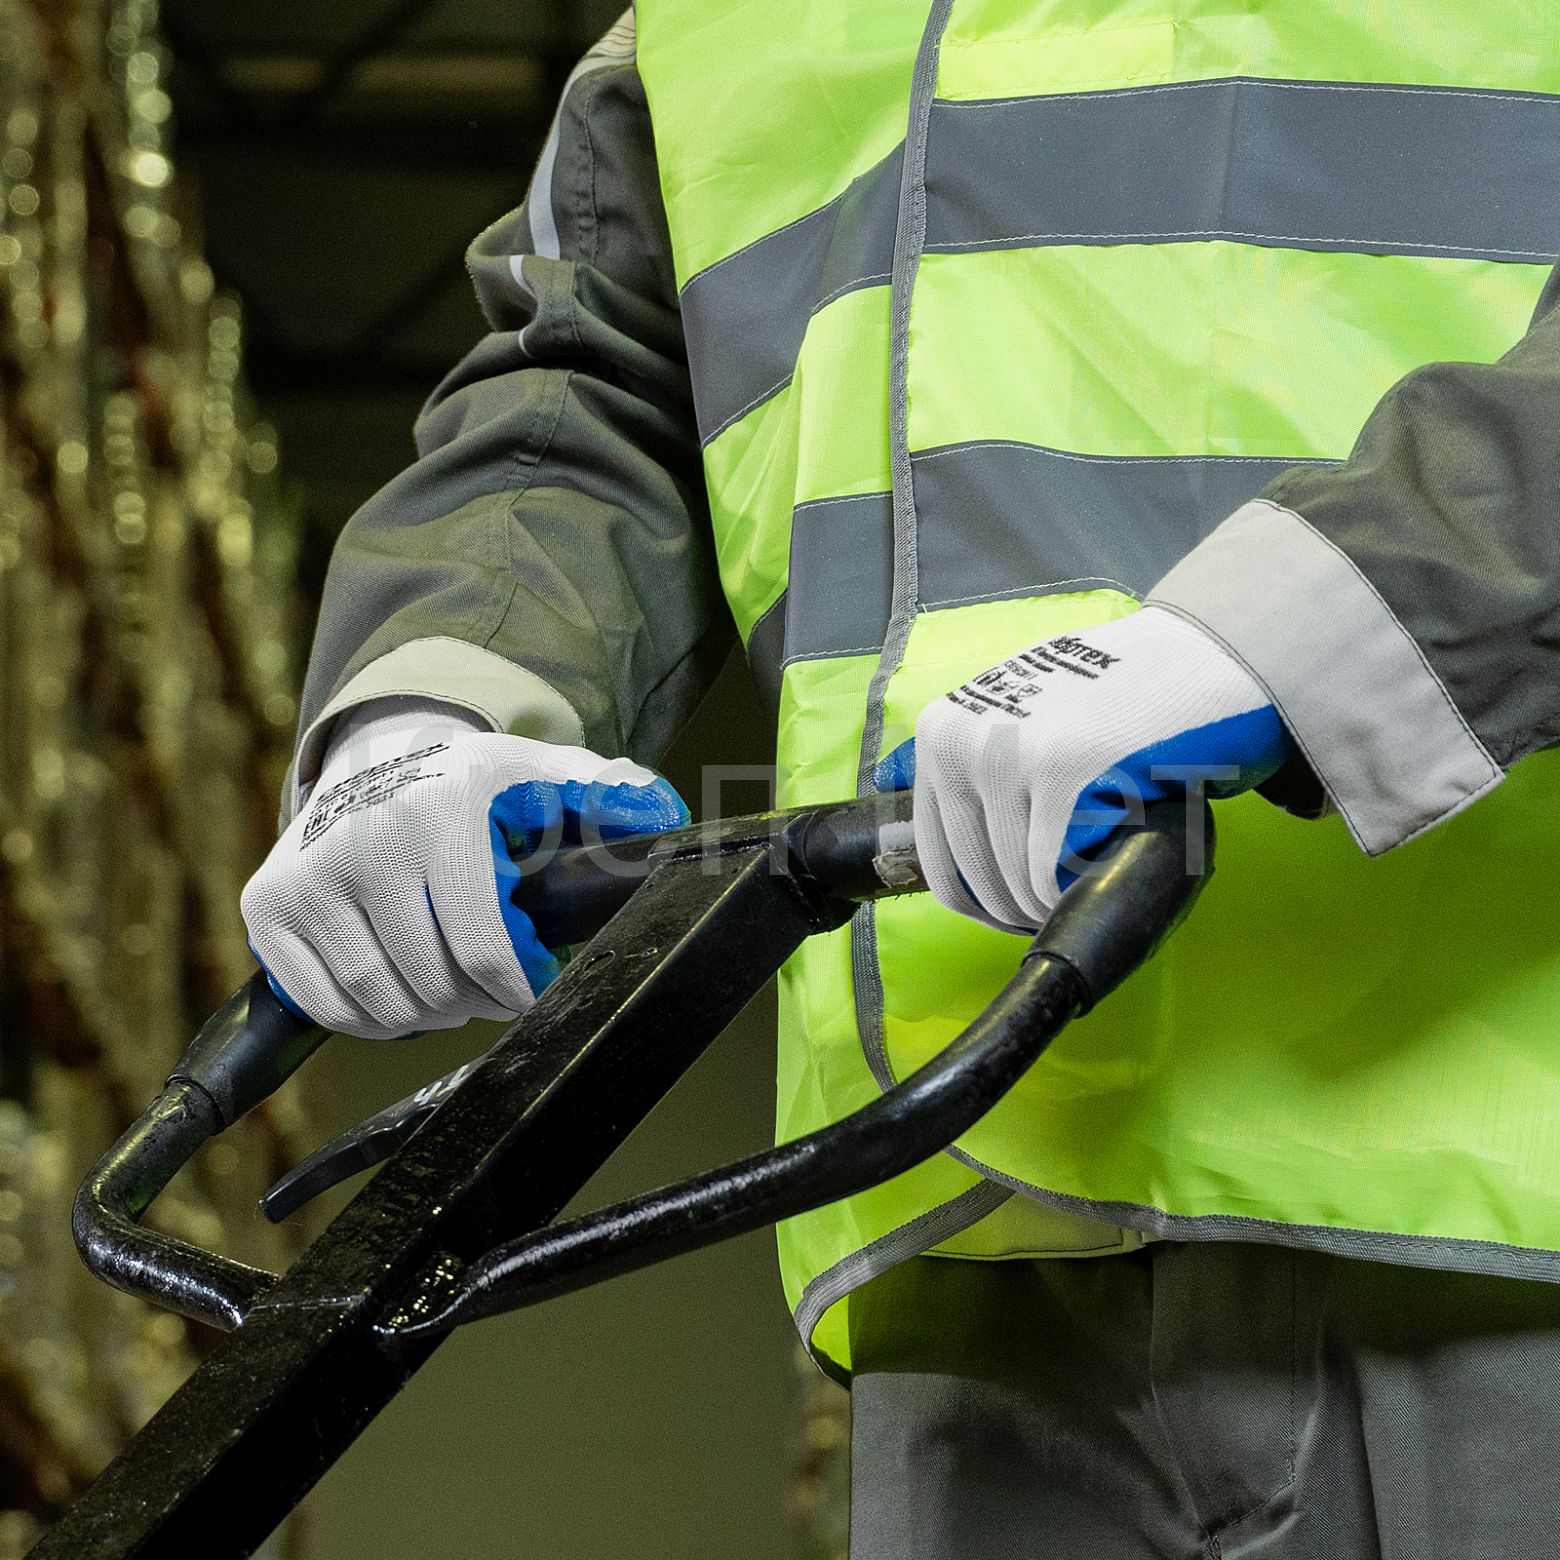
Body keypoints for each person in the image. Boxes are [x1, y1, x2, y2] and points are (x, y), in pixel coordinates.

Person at [241, 6, 1560, 1553]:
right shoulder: (691, 31)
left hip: (1496, 1147)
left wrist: (1343, 603)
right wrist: (430, 694)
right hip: (971, 1207)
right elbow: (591, 379)